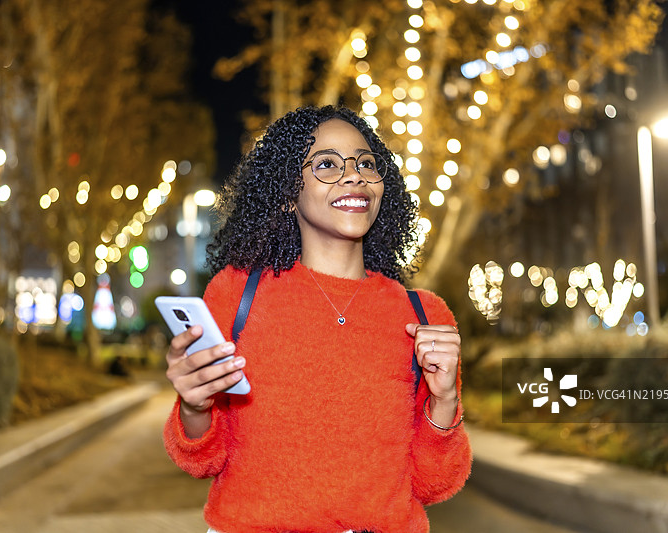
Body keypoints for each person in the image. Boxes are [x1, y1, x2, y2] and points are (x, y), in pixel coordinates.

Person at [164, 106, 471, 533]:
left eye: (366, 163)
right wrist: (194, 405)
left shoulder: (424, 316)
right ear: (288, 192)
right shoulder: (236, 296)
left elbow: (435, 484)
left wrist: (444, 403)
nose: (354, 176)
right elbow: (203, 458)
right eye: (327, 163)